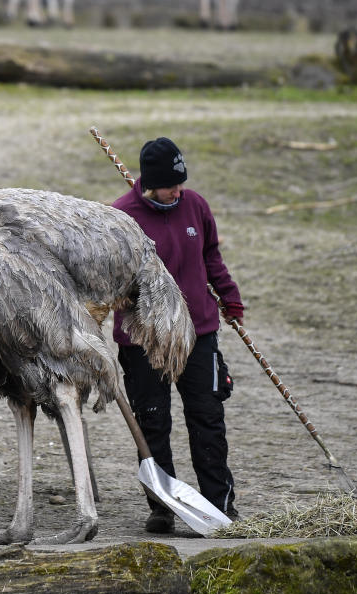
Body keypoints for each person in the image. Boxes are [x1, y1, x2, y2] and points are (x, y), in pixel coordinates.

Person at [112, 137, 243, 534]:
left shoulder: (196, 206)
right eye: (171, 185)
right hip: (144, 338)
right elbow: (111, 281)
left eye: (181, 182)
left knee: (208, 417)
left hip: (197, 332)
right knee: (152, 423)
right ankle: (162, 506)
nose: (179, 190)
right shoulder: (121, 217)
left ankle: (220, 505)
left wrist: (229, 298)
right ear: (151, 183)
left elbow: (211, 257)